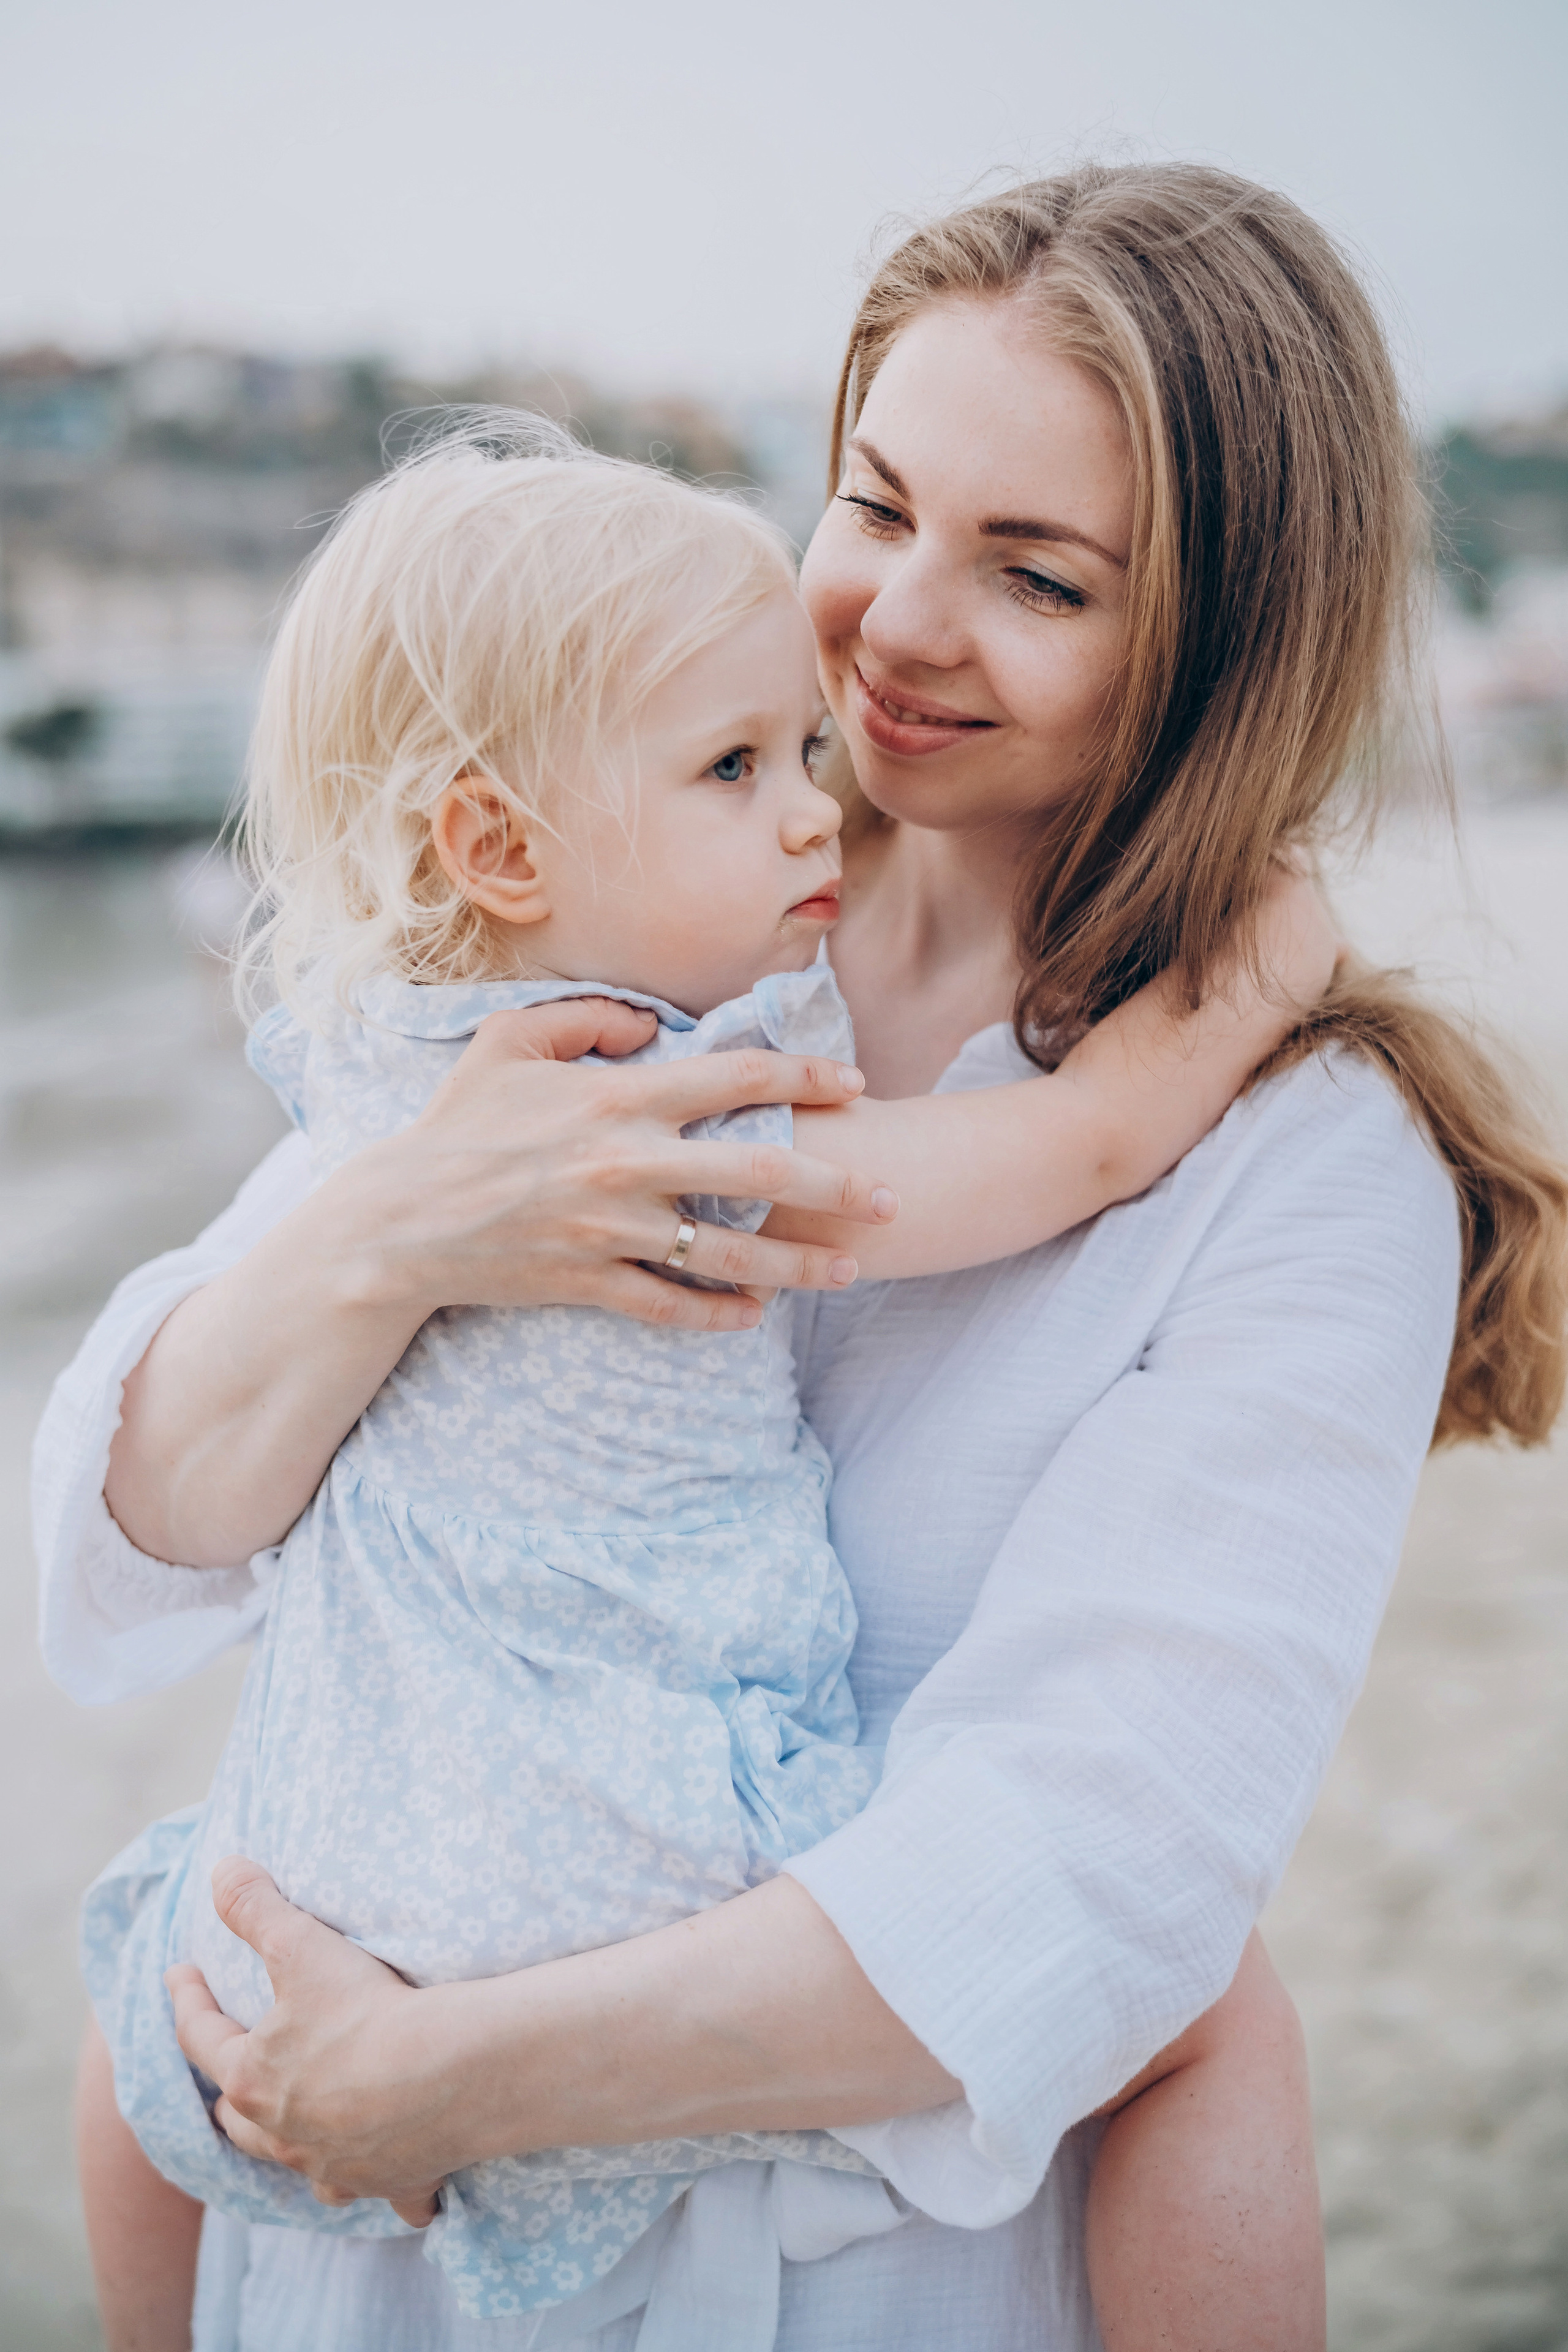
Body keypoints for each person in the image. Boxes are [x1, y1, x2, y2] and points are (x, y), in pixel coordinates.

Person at [36, 162, 1566, 2352]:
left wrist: (421, 2080)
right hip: (347, 2240)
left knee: (1215, 2013)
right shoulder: (630, 914)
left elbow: (1091, 1875)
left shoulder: (1306, 1172)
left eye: (1036, 576)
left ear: (1223, 646)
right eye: (876, 503)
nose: (895, 629)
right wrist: (393, 1226)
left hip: (828, 2276)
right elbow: (139, 1537)